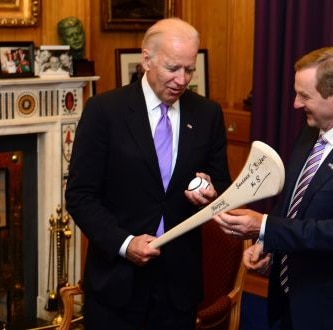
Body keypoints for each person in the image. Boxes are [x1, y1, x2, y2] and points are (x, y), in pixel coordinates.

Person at [213, 47, 333, 329]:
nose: (296, 104)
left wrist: (264, 226)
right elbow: (295, 202)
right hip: (294, 298)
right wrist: (269, 247)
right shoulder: (310, 132)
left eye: (305, 95)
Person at [65, 17, 231, 329]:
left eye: (189, 69)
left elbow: (221, 182)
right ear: (146, 59)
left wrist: (210, 191)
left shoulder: (207, 113)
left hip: (178, 286)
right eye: (173, 68)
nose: (182, 80)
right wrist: (125, 243)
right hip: (116, 284)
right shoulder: (104, 111)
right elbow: (80, 195)